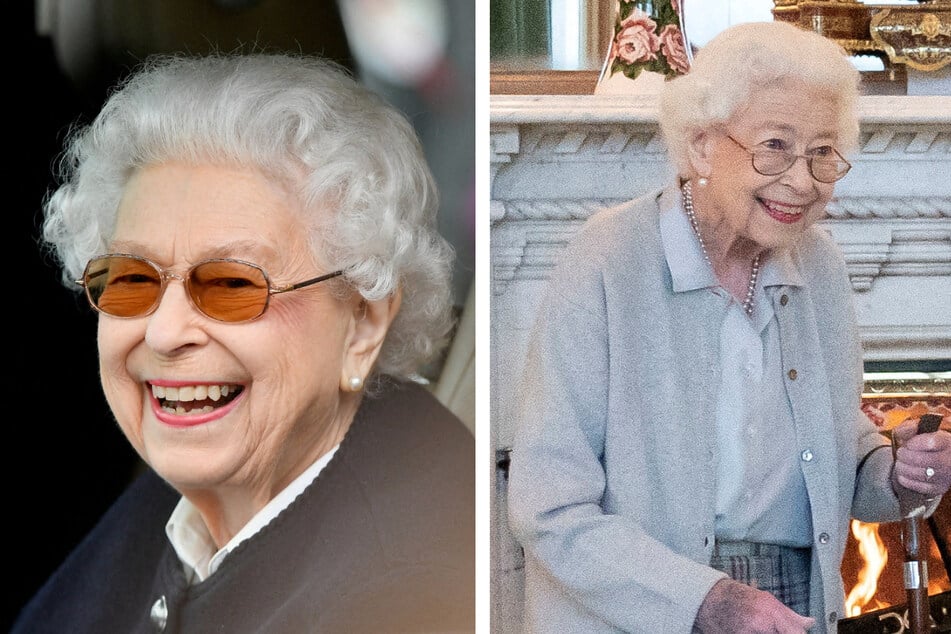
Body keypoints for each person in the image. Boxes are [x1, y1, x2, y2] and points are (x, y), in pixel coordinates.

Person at [506, 20, 951, 634]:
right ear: (700, 146)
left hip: (793, 599)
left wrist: (897, 474)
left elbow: (835, 459)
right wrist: (706, 600)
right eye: (775, 146)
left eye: (823, 153)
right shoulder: (608, 258)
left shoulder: (818, 267)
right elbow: (548, 506)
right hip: (643, 608)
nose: (802, 181)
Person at [13, 52, 474, 634]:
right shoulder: (194, 490)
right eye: (132, 280)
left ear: (362, 323)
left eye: (232, 283)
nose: (164, 331)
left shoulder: (413, 592)